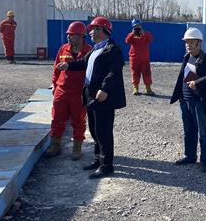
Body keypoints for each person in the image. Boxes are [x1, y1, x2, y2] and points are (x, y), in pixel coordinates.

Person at [57, 16, 126, 179]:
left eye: (93, 30)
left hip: (103, 97)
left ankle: (107, 166)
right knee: (95, 130)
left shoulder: (112, 49)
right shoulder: (95, 49)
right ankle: (98, 160)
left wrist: (105, 89)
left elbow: (115, 71)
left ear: (103, 30)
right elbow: (83, 62)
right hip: (91, 95)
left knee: (103, 132)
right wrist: (68, 65)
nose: (90, 33)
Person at [170, 27, 206, 172]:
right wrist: (180, 96)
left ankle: (205, 161)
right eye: (186, 42)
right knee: (189, 131)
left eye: (191, 42)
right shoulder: (186, 57)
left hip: (199, 102)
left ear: (199, 42)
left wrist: (197, 83)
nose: (188, 45)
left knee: (203, 132)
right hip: (185, 101)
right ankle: (190, 156)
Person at [46, 22, 92, 160]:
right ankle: (55, 145)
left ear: (81, 36)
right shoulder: (63, 49)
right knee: (57, 118)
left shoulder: (89, 51)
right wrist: (54, 84)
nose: (69, 38)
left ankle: (77, 148)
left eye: (72, 35)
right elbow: (56, 69)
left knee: (78, 120)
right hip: (62, 90)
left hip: (79, 92)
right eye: (69, 35)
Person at [125, 18, 155, 96]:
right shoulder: (131, 35)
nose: (137, 27)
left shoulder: (146, 34)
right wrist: (132, 34)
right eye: (135, 26)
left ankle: (148, 89)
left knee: (147, 73)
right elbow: (127, 41)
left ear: (141, 26)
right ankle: (135, 89)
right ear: (133, 27)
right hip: (134, 58)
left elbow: (150, 39)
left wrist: (143, 33)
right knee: (135, 73)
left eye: (138, 26)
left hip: (145, 59)